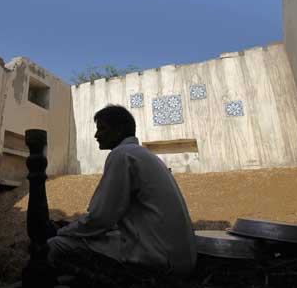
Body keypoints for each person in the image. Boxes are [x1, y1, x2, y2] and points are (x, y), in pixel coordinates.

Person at [47, 105, 197, 277]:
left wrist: (61, 231)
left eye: (102, 129)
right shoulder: (143, 154)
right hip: (182, 258)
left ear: (118, 130)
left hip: (159, 260)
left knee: (55, 244)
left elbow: (101, 218)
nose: (97, 135)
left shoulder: (121, 155)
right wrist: (73, 226)